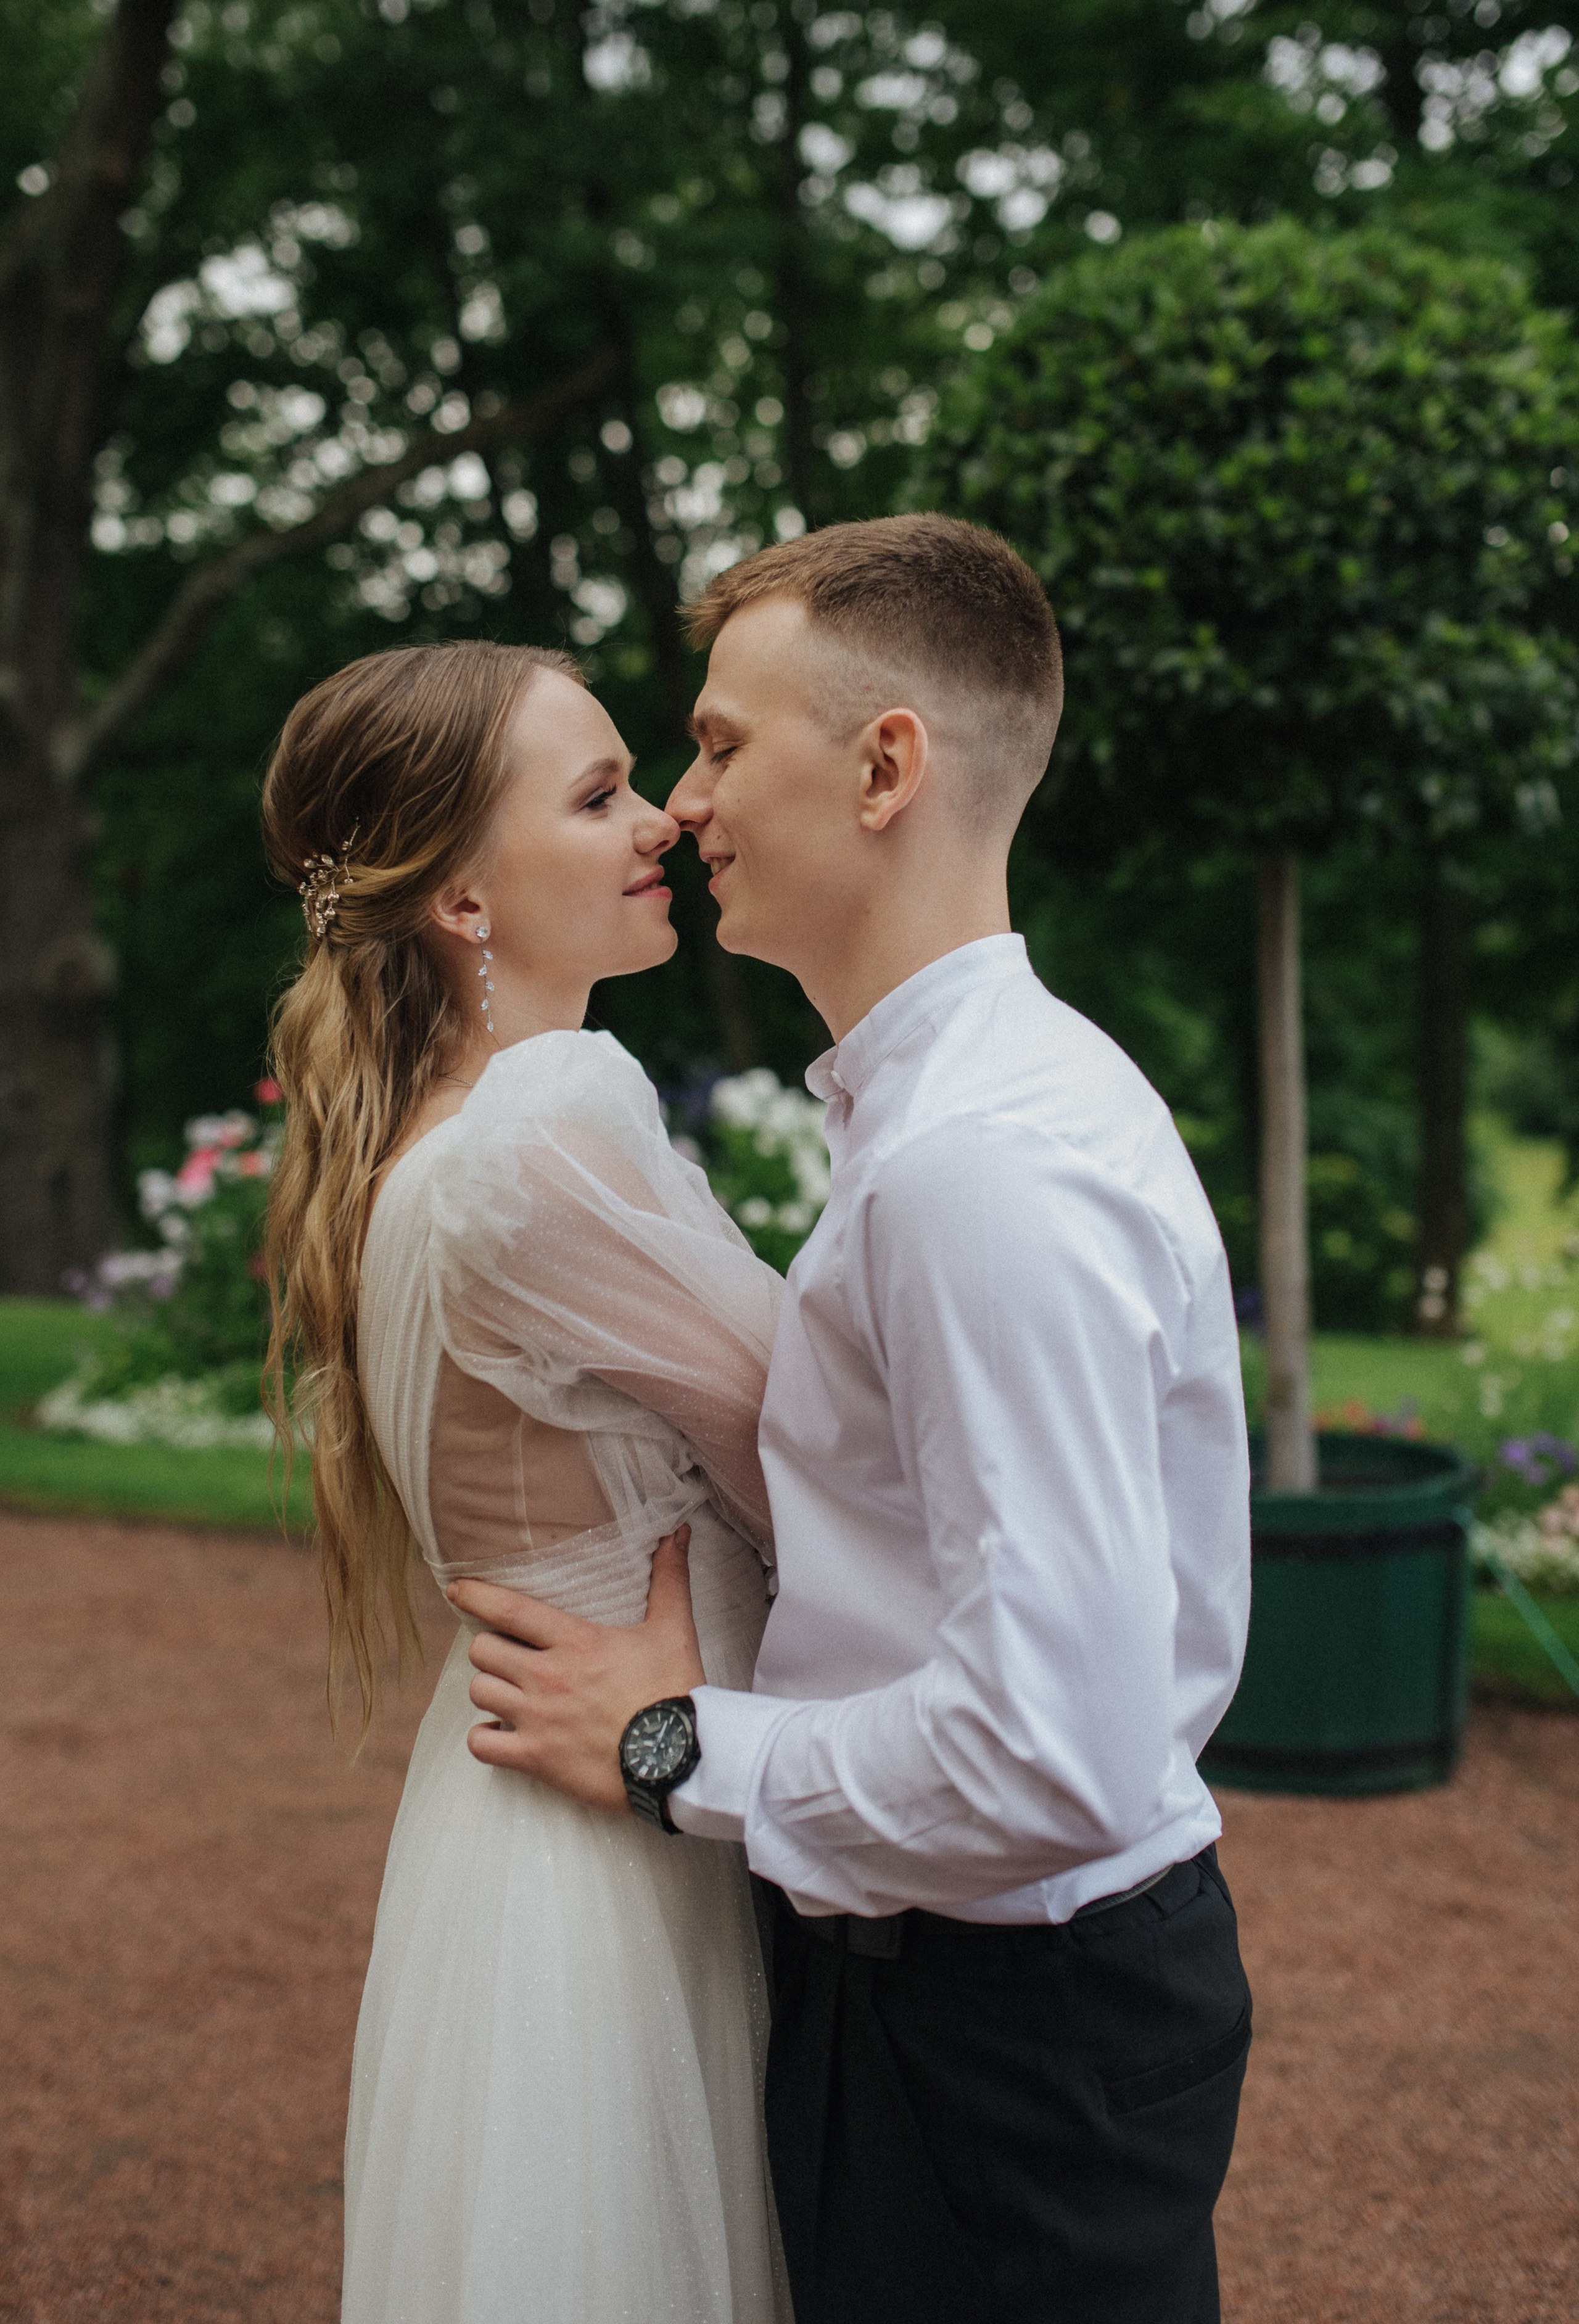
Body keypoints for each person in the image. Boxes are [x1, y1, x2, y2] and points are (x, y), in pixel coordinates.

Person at [450, 514, 1255, 2324]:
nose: (683, 800)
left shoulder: (980, 1168)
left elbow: (1049, 1745)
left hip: (1002, 2031)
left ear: (887, 764)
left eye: (724, 741)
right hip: (958, 1995)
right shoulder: (954, 1112)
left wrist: (673, 1750)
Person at [260, 640, 793, 2324]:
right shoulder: (545, 1126)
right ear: (465, 904)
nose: (659, 823)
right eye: (598, 796)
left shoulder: (412, 1143)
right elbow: (818, 1462)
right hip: (623, 1833)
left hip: (510, 1834)